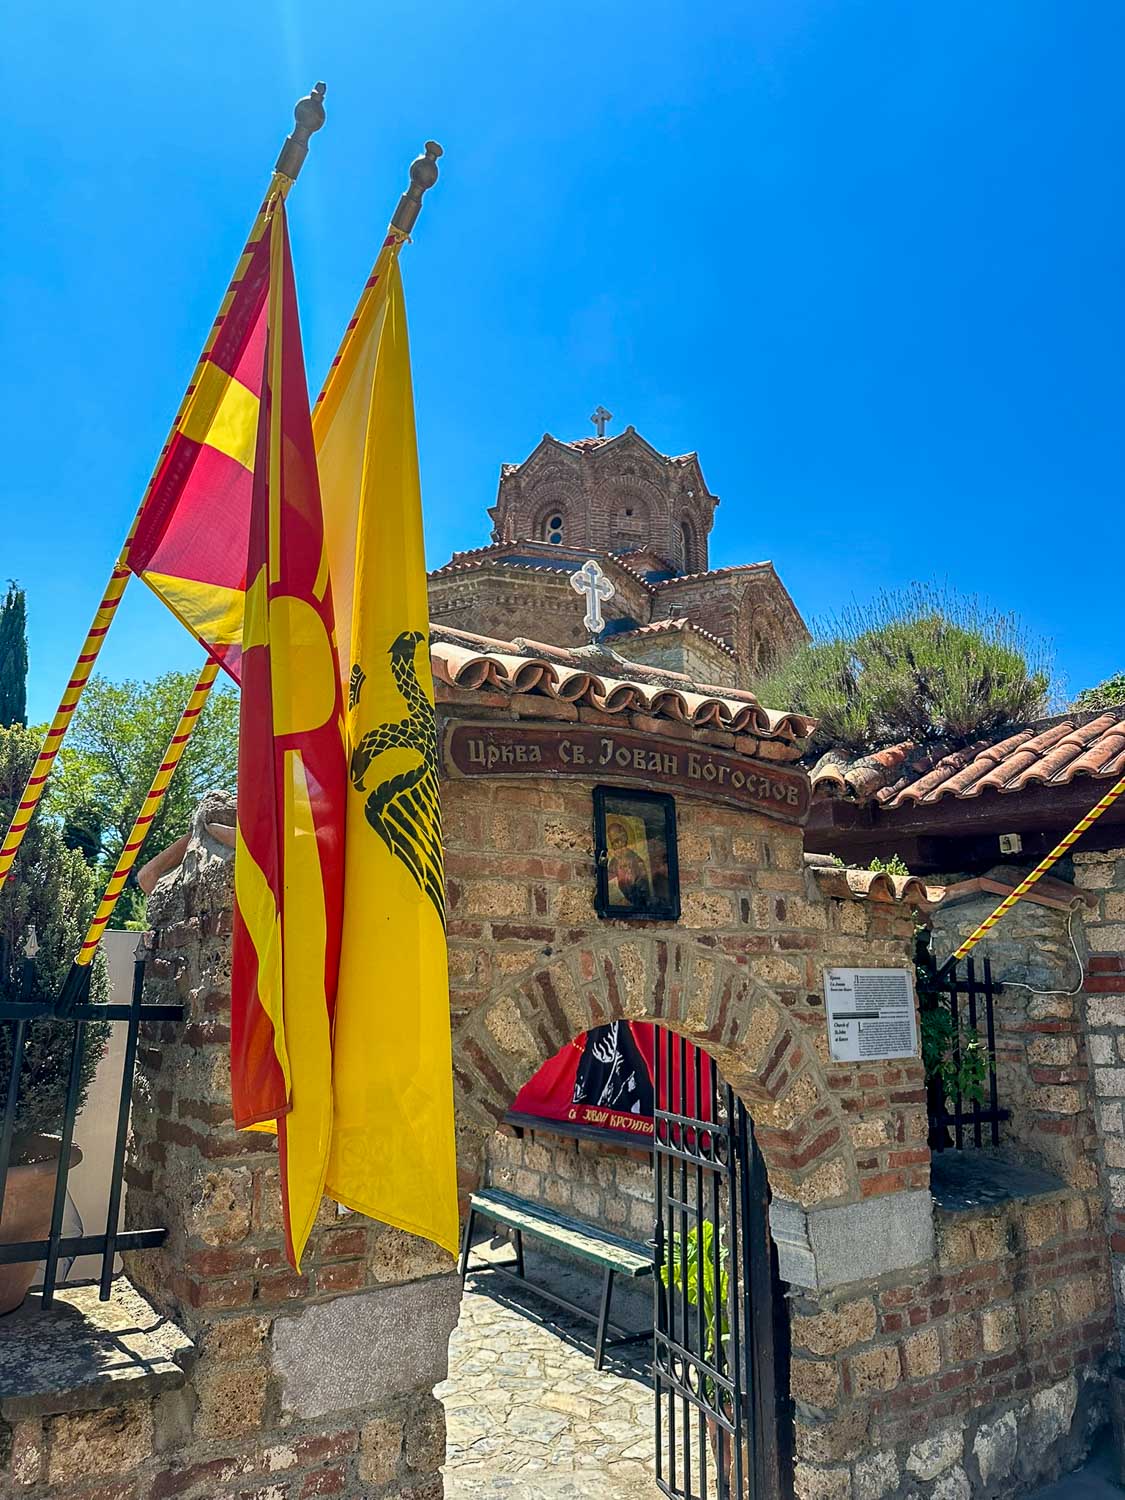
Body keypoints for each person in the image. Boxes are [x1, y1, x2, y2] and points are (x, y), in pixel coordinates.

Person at [607, 820, 651, 907]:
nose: (617, 845)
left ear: (625, 838)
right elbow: (610, 884)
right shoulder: (613, 862)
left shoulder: (637, 860)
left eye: (618, 840)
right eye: (613, 843)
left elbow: (643, 885)